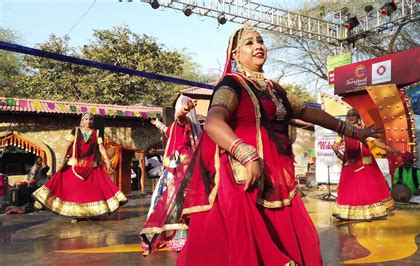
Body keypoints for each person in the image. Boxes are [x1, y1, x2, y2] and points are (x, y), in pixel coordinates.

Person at [140, 23, 382, 265]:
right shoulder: (231, 85)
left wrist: (355, 132)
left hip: (277, 178)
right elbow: (214, 124)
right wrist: (246, 154)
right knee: (252, 250)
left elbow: (309, 112)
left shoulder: (274, 89)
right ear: (235, 55)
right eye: (249, 42)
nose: (258, 46)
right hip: (242, 179)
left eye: (260, 41)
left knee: (304, 241)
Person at [32, 112, 127, 222]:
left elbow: (101, 148)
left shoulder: (96, 133)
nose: (89, 121)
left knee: (91, 191)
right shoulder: (75, 131)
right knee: (73, 191)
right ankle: (76, 215)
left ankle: (90, 213)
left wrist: (107, 160)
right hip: (74, 166)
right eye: (86, 119)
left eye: (91, 119)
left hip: (91, 167)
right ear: (82, 121)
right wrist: (61, 161)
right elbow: (67, 146)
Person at [143, 95, 201, 252]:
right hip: (171, 169)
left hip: (179, 168)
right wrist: (157, 124)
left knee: (176, 201)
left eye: (178, 106)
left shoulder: (183, 122)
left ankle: (179, 235)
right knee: (163, 199)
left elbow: (180, 117)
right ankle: (166, 233)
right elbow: (168, 131)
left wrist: (184, 108)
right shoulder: (176, 127)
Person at [332, 108, 401, 221]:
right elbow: (334, 145)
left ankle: (375, 210)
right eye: (349, 115)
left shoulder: (363, 130)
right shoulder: (343, 131)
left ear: (358, 117)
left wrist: (390, 149)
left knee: (371, 186)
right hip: (350, 161)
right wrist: (338, 154)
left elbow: (375, 142)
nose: (351, 117)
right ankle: (348, 213)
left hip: (365, 160)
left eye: (354, 115)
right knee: (350, 187)